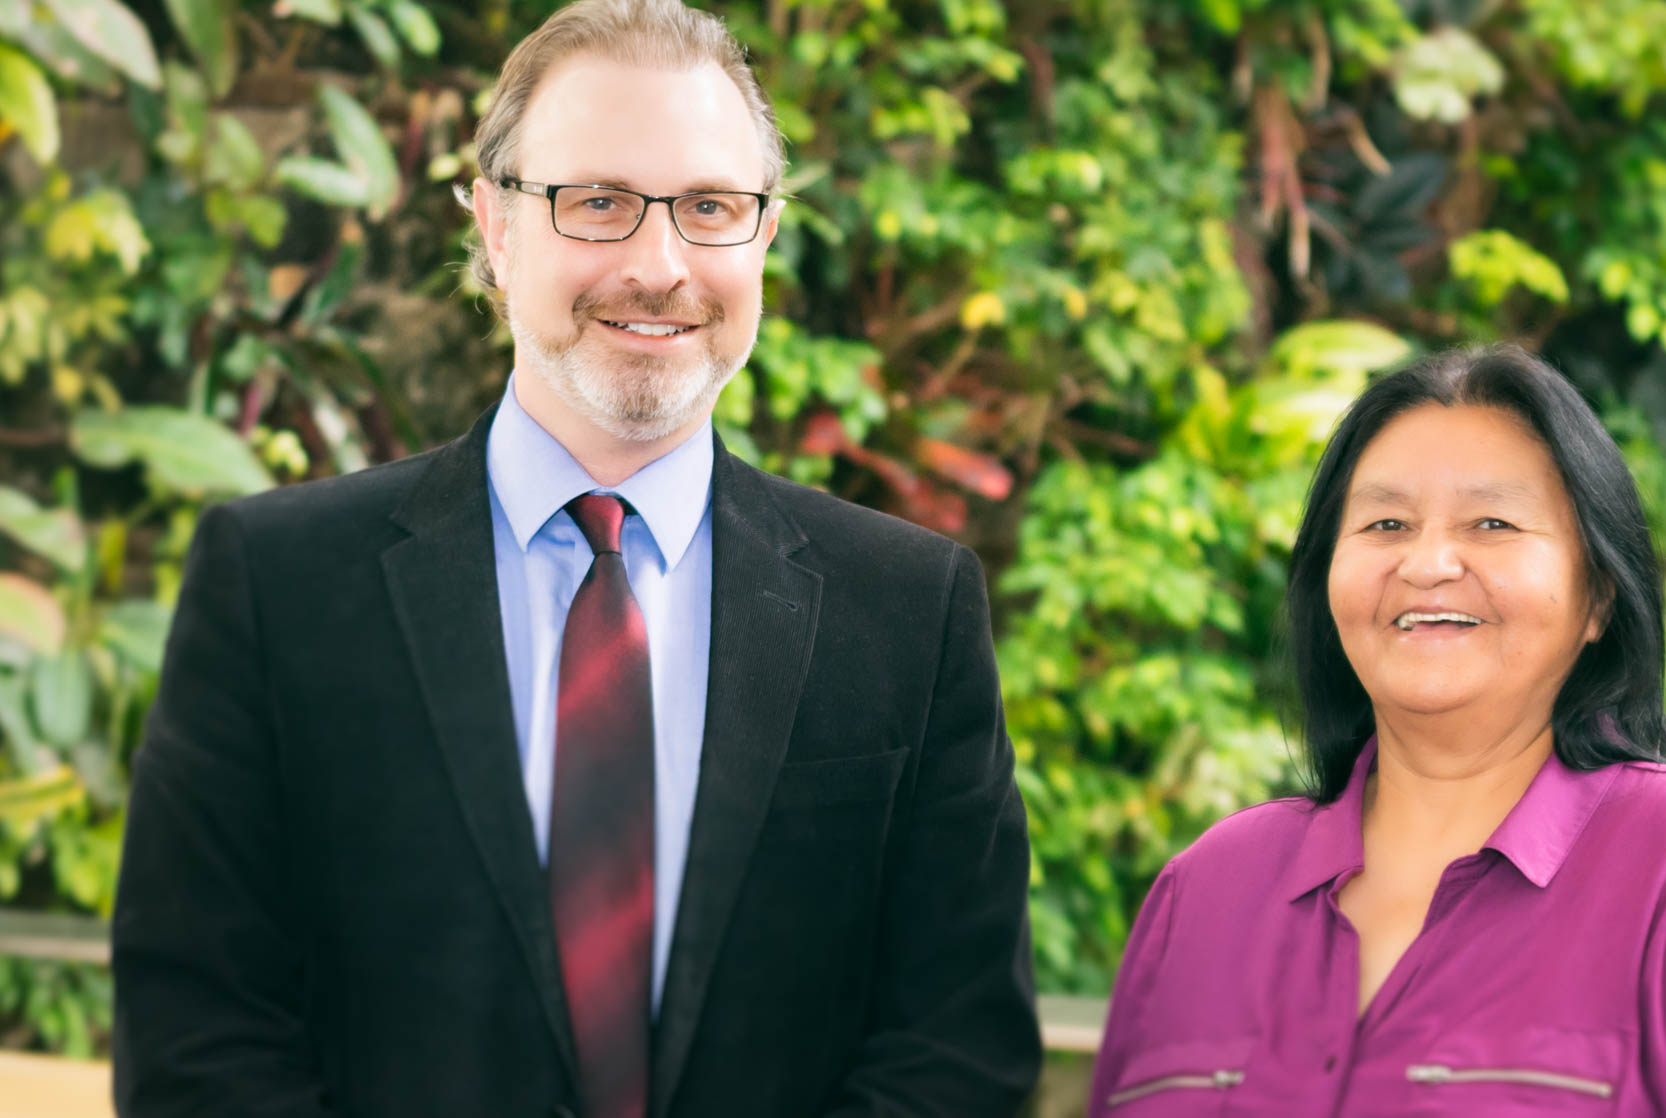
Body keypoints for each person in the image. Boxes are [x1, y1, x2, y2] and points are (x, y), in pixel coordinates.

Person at [110, 2, 1040, 1115]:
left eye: (708, 207)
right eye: (596, 202)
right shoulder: (278, 587)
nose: (657, 264)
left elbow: (959, 1046)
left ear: (764, 236)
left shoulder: (907, 611)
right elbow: (197, 1034)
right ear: (495, 228)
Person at [1090, 346, 1666, 1114]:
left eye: (1492, 522)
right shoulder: (1204, 891)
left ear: (1598, 597)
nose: (1427, 563)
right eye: (1386, 523)